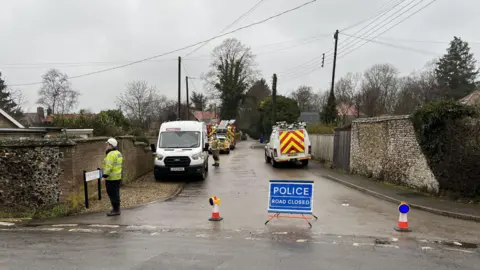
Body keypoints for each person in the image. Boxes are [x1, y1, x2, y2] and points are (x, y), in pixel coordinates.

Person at [102, 138, 124, 216]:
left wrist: (104, 176)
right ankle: (116, 209)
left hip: (111, 178)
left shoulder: (111, 154)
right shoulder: (118, 153)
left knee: (112, 194)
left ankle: (116, 210)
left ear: (111, 145)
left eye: (108, 144)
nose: (106, 146)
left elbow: (108, 166)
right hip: (117, 177)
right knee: (116, 193)